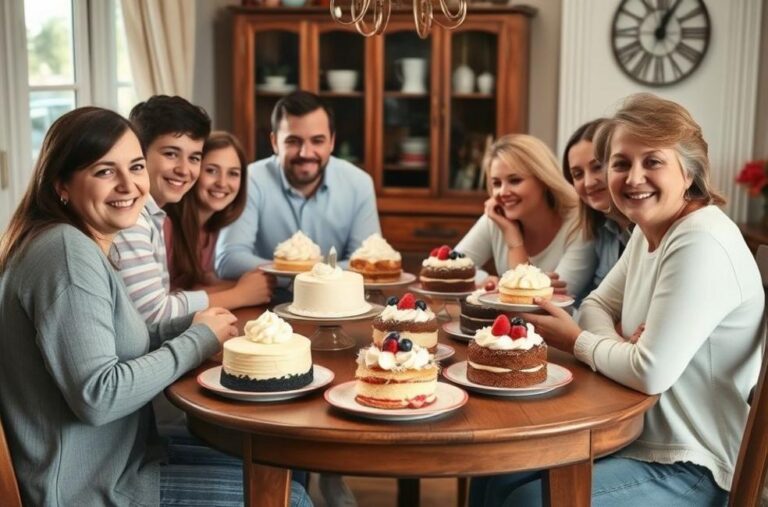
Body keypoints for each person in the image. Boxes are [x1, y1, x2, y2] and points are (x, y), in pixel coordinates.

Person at [0, 107, 311, 506]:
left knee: (284, 457)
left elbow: (115, 340)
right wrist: (197, 340)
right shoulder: (65, 252)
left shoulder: (81, 242)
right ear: (61, 183)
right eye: (104, 171)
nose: (130, 186)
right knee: (293, 499)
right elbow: (99, 395)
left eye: (135, 167)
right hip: (90, 487)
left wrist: (188, 326)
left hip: (124, 457)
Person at [470, 94, 764, 506]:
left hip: (693, 464)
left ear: (690, 171)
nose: (633, 177)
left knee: (526, 501)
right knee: (493, 473)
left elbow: (648, 372)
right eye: (622, 163)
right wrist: (623, 345)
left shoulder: (700, 240)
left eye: (653, 162)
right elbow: (594, 305)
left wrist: (580, 342)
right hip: (637, 436)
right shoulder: (649, 231)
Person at [112, 96, 272, 325]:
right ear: (139, 153)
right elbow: (155, 314)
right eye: (171, 154)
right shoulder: (132, 219)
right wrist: (239, 294)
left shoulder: (153, 216)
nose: (184, 170)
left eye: (194, 158)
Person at [215, 90, 381, 279]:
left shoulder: (359, 183)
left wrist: (295, 274)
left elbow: (368, 263)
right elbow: (228, 260)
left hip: (336, 303)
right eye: (293, 141)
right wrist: (316, 274)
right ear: (274, 142)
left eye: (317, 141)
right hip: (268, 301)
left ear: (332, 141)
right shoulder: (249, 179)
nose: (305, 153)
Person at [455, 134, 595, 299]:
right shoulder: (497, 217)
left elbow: (550, 304)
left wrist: (514, 241)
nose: (503, 193)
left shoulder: (580, 225)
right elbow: (451, 270)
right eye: (497, 183)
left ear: (543, 179)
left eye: (515, 180)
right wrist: (494, 282)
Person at [164, 130, 275, 299]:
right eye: (211, 171)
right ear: (194, 171)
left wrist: (243, 286)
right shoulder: (165, 226)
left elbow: (197, 286)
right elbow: (161, 305)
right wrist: (241, 292)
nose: (222, 183)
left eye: (233, 174)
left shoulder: (211, 230)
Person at [562, 118, 633, 297]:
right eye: (577, 174)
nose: (588, 182)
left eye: (597, 167)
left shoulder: (651, 229)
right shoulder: (601, 230)